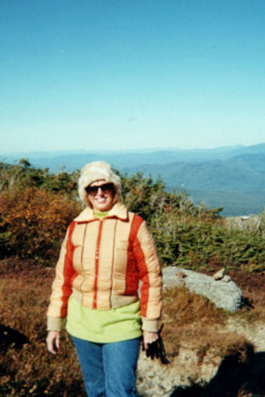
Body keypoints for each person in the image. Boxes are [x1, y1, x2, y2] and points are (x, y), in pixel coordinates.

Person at [46, 160, 163, 397]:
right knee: (96, 390)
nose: (99, 193)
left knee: (120, 391)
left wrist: (150, 326)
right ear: (85, 194)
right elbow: (63, 278)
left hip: (122, 322)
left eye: (105, 186)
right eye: (92, 188)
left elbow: (152, 276)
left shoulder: (134, 225)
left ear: (115, 189)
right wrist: (54, 325)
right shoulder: (76, 227)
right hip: (82, 323)